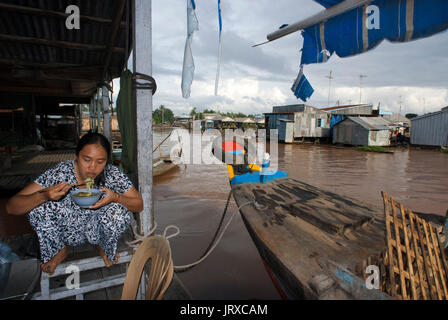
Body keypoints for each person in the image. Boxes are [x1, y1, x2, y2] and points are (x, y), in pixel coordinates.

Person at [6, 132, 143, 274]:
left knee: (118, 210)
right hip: (67, 231)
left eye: (100, 161)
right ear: (77, 156)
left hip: (98, 229)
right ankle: (58, 250)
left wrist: (116, 197)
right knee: (37, 205)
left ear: (106, 160)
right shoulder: (60, 173)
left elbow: (139, 205)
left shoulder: (112, 174)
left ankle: (104, 244)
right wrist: (44, 195)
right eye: (86, 159)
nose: (92, 167)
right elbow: (12, 206)